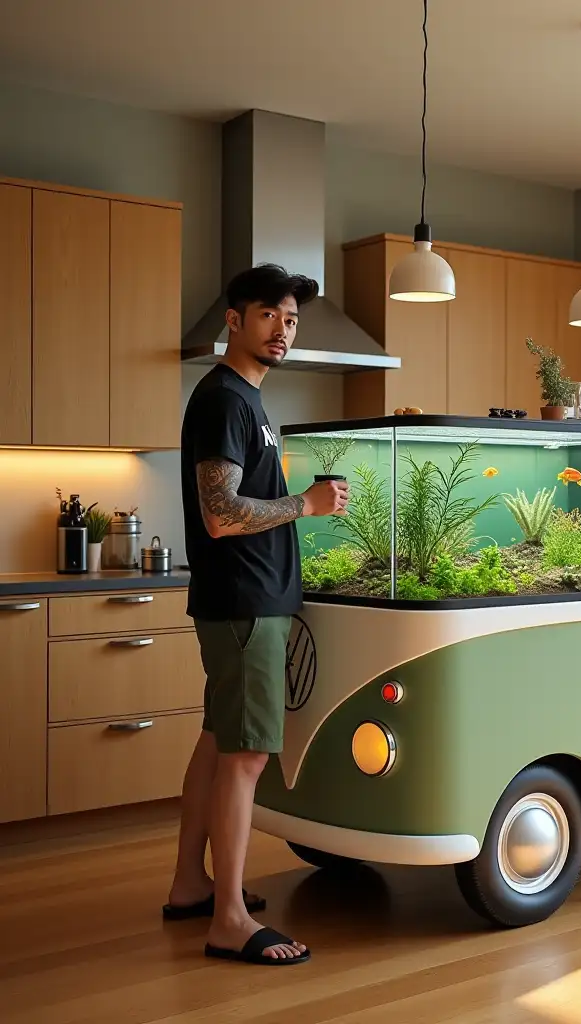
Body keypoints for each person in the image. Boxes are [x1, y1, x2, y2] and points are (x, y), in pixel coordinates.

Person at [163, 263, 349, 963]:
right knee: (247, 756)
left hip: (243, 601)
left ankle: (192, 885)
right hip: (246, 602)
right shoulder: (226, 400)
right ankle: (231, 919)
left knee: (218, 743)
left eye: (292, 318)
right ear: (233, 320)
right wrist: (308, 503)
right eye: (268, 314)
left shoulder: (243, 400)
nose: (283, 328)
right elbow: (220, 514)